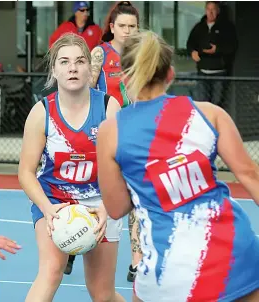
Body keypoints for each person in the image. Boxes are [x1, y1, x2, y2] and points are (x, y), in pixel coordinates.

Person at [96, 30, 259, 302]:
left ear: (124, 78)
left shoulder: (111, 132)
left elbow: (116, 207)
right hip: (233, 257)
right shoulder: (210, 114)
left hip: (168, 272)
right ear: (170, 74)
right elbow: (250, 176)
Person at [18, 33, 125, 302]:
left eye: (79, 61)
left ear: (90, 68)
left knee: (102, 294)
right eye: (64, 62)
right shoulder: (41, 113)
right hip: (55, 200)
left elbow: (125, 166)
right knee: (51, 272)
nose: (73, 68)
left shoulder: (109, 107)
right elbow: (26, 172)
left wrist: (108, 207)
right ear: (54, 69)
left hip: (101, 200)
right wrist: (47, 208)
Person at [84, 0, 141, 282]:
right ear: (112, 27)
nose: (128, 31)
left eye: (132, 26)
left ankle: (135, 261)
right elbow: (87, 88)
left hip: (133, 133)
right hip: (104, 132)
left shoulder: (142, 55)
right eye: (123, 26)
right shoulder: (100, 53)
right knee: (89, 189)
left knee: (134, 192)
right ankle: (75, 242)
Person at [187, 1, 238, 106]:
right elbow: (190, 43)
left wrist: (217, 49)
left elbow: (232, 46)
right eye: (208, 10)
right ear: (205, 11)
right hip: (202, 72)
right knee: (203, 104)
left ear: (218, 11)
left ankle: (215, 123)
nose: (211, 13)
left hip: (219, 72)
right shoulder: (199, 27)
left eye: (213, 9)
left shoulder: (227, 27)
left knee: (217, 103)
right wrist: (192, 52)